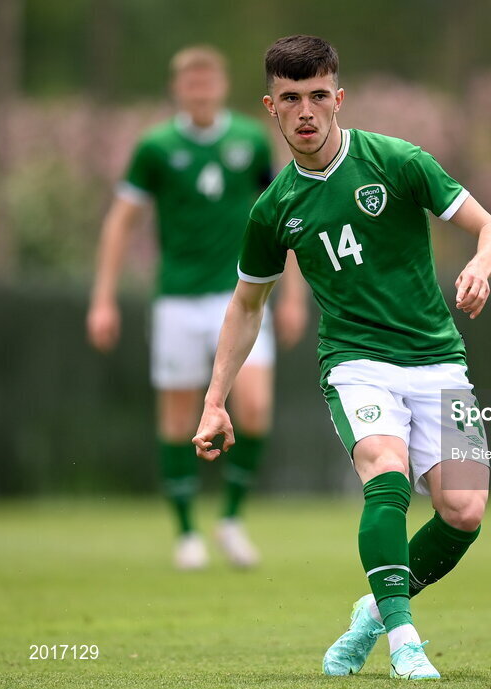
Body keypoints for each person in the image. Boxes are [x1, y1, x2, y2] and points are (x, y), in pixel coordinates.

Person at [192, 35, 491, 680]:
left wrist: (480, 266)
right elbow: (246, 307)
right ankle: (404, 640)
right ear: (271, 108)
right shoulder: (273, 209)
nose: (305, 111)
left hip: (436, 360)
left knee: (464, 511)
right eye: (290, 99)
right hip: (356, 363)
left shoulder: (397, 161)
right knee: (386, 470)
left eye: (317, 96)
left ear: (338, 98)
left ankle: (373, 609)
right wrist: (214, 399)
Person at [88, 46, 307, 571]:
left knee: (253, 408)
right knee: (178, 416)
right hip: (177, 299)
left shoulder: (251, 140)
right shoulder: (157, 146)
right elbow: (121, 220)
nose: (201, 89)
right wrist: (103, 299)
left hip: (243, 297)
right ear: (178, 89)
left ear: (222, 85)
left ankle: (230, 520)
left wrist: (296, 295)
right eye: (191, 83)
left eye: (209, 81)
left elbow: (287, 212)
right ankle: (186, 532)